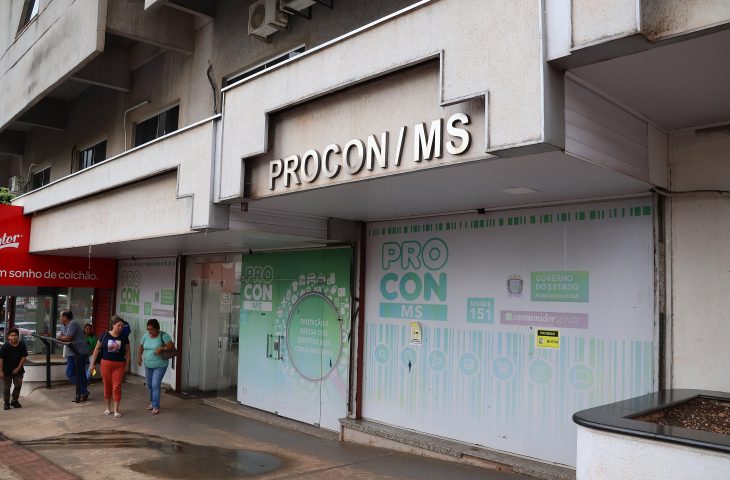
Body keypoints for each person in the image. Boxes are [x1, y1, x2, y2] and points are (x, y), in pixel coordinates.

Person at [89, 317, 130, 417]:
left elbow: (128, 352)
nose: (120, 328)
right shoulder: (104, 335)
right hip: (105, 364)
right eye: (118, 325)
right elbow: (96, 349)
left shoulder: (124, 337)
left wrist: (127, 365)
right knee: (107, 385)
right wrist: (92, 364)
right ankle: (107, 408)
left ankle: (116, 410)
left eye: (122, 326)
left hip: (119, 365)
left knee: (117, 387)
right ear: (113, 325)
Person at [137, 318, 174, 415]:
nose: (150, 331)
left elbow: (171, 346)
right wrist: (139, 357)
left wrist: (162, 348)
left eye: (152, 329)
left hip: (160, 365)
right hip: (148, 364)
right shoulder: (146, 335)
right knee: (149, 385)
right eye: (148, 329)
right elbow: (141, 347)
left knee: (155, 384)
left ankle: (156, 406)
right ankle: (152, 402)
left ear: (157, 328)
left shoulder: (163, 335)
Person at [57, 310, 90, 402]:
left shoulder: (73, 323)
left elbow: (68, 338)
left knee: (72, 373)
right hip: (71, 353)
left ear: (65, 317)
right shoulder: (63, 325)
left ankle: (83, 392)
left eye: (61, 316)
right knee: (77, 373)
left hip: (79, 352)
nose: (60, 318)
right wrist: (61, 337)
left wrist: (60, 337)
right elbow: (62, 336)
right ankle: (84, 392)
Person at [0, 328, 28, 410]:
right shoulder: (5, 347)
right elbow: (1, 359)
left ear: (18, 336)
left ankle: (14, 400)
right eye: (11, 335)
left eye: (15, 335)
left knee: (18, 384)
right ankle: (6, 402)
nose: (13, 337)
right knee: (6, 387)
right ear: (8, 337)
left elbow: (24, 357)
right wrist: (1, 371)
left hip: (18, 370)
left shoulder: (22, 345)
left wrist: (18, 368)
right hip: (6, 370)